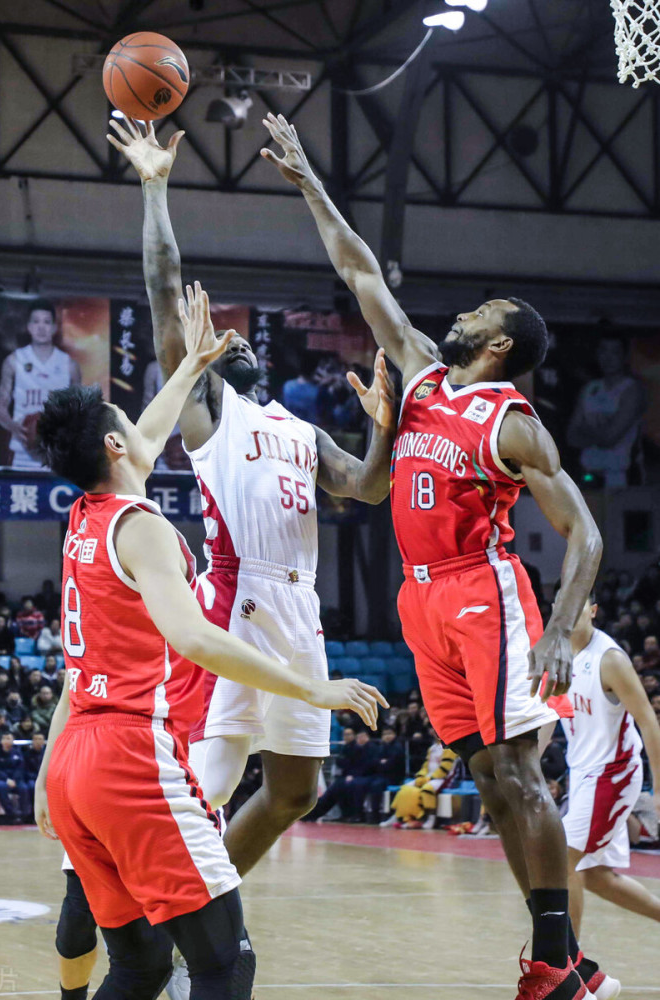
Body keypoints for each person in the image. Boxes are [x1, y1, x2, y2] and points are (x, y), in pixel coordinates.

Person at [261, 112, 608, 999]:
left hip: (480, 590)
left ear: (498, 347)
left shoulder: (511, 423)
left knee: (520, 771)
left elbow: (587, 534)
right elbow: (357, 270)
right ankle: (557, 956)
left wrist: (562, 630)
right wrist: (307, 180)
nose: (459, 313)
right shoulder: (414, 376)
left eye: (479, 315)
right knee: (490, 779)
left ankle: (553, 961)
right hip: (419, 602)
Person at [34, 282, 384, 1000]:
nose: (144, 424)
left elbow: (148, 430)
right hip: (130, 754)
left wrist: (192, 364)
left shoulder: (85, 517)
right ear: (113, 443)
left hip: (75, 758)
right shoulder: (144, 528)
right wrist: (311, 686)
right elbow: (194, 637)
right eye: (128, 421)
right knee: (225, 966)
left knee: (140, 967)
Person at [108, 117, 395, 884]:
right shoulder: (209, 414)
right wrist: (155, 187)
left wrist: (383, 429)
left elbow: (369, 489)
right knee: (213, 781)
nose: (233, 340)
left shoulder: (299, 429)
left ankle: (204, 898)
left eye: (239, 340)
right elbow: (165, 294)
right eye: (220, 341)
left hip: (300, 608)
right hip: (236, 598)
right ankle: (174, 919)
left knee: (297, 789)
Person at [562, 595, 660, 945]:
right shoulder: (557, 656)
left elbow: (649, 722)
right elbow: (548, 721)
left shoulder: (610, 659)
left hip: (613, 773)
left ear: (593, 609)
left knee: (564, 859)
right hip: (583, 774)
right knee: (595, 876)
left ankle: (566, 967)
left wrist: (659, 789)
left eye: (577, 603)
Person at [0, 299, 82, 469]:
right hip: (22, 451)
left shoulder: (69, 365)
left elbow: (80, 411)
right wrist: (13, 426)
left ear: (54, 328)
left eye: (47, 322)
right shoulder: (14, 360)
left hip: (57, 453)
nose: (41, 327)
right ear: (29, 326)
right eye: (36, 321)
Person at [567, 333, 645, 488]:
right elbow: (571, 437)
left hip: (620, 477)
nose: (607, 358)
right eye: (603, 351)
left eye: (614, 352)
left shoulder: (631, 389)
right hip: (589, 475)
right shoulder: (590, 388)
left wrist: (587, 432)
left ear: (624, 356)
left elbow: (610, 439)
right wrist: (601, 432)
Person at [385, 739, 458, 829]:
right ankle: (397, 816)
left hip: (443, 779)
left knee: (427, 790)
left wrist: (430, 778)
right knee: (405, 788)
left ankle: (431, 818)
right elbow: (425, 766)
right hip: (428, 777)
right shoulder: (432, 748)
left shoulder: (449, 747)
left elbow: (446, 767)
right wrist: (421, 776)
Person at [0, 731, 28, 823]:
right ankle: (11, 814)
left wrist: (14, 779)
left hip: (16, 779)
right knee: (1, 787)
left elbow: (20, 768)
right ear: (1, 741)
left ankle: (25, 815)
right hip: (2, 779)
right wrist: (6, 779)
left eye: (9, 738)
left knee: (24, 788)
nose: (7, 741)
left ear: (13, 740)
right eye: (4, 738)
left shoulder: (18, 753)